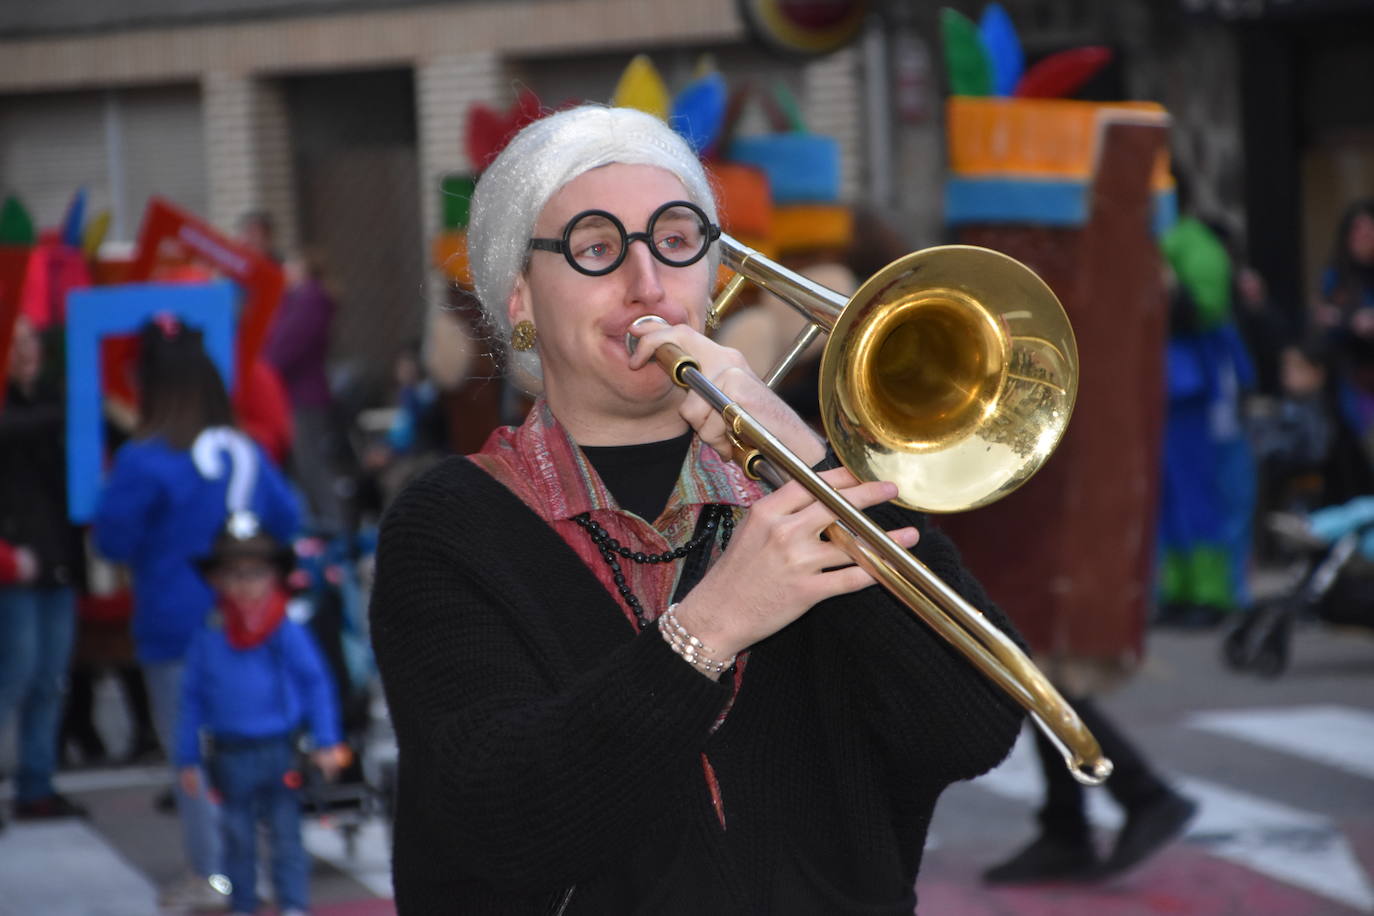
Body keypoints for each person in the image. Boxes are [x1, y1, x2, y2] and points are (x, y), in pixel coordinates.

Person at [368, 105, 1024, 914]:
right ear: (521, 299)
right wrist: (707, 630)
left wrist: (806, 454)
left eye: (677, 242)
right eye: (597, 248)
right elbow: (501, 825)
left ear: (713, 276)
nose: (648, 285)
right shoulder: (449, 524)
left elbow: (973, 727)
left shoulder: (800, 481)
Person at [92, 315, 301, 911]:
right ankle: (253, 869)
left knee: (191, 756)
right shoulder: (247, 448)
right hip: (249, 626)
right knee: (244, 748)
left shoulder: (144, 459)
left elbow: (112, 541)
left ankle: (213, 875)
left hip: (173, 623)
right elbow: (286, 519)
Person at [178, 512, 347, 916]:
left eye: (255, 574)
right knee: (236, 837)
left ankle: (293, 905)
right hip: (230, 753)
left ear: (274, 577)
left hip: (278, 749)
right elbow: (192, 699)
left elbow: (315, 682)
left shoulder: (284, 628)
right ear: (217, 581)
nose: (245, 585)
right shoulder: (210, 633)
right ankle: (244, 904)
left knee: (286, 836)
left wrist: (326, 739)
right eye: (234, 575)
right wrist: (186, 757)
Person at [0, 314, 86, 822]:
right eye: (16, 342)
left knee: (52, 678)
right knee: (16, 675)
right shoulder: (32, 410)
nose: (27, 350)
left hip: (57, 558)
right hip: (15, 563)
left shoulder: (54, 399)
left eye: (31, 340)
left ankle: (37, 784)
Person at [265, 248, 345, 534]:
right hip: (298, 395)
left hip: (304, 396)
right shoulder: (297, 301)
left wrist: (265, 368)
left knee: (311, 463)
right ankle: (322, 523)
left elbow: (286, 345)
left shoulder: (310, 301)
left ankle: (332, 526)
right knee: (306, 463)